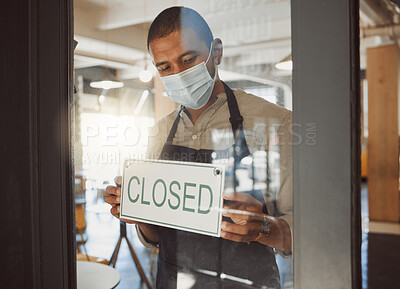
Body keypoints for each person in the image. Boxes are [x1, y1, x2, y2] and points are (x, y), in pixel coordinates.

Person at [105, 6, 292, 289]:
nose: (178, 73)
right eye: (165, 67)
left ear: (216, 52)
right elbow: (156, 236)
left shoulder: (275, 123)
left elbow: (306, 231)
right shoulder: (159, 133)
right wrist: (137, 212)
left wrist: (263, 227)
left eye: (188, 58)